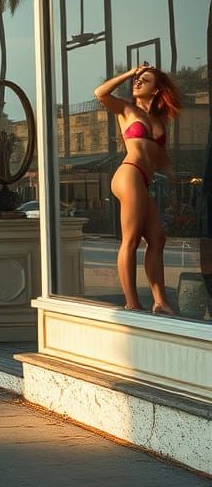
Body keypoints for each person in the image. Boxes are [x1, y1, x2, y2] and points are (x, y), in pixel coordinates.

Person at [94, 61, 181, 313]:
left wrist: (174, 177)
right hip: (129, 173)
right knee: (130, 240)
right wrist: (130, 72)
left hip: (144, 178)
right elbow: (100, 93)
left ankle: (160, 301)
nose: (138, 81)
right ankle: (132, 302)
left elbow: (160, 156)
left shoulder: (159, 119)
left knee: (157, 238)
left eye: (145, 79)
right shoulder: (125, 109)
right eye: (137, 78)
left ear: (156, 90)